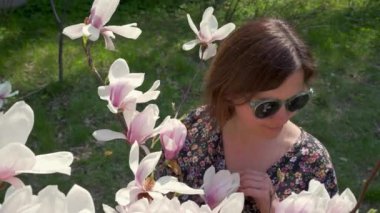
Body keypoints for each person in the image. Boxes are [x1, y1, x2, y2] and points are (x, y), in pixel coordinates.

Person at [156, 18, 338, 213]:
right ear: (229, 92)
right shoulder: (193, 131)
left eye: (296, 101)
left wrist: (275, 209)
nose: (282, 117)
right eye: (267, 106)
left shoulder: (311, 164)